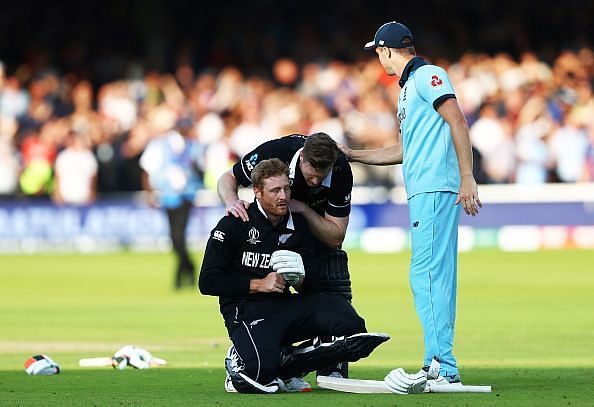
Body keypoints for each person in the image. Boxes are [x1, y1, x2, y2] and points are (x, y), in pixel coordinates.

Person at [342, 21, 482, 386]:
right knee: (433, 277)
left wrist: (467, 176)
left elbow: (458, 121)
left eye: (378, 52)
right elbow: (404, 150)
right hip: (424, 190)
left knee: (428, 276)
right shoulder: (406, 90)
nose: (378, 59)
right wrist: (352, 154)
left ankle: (442, 365)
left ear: (387, 50)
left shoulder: (428, 76)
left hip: (436, 188)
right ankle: (438, 361)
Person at [199, 159, 388, 394]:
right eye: (275, 190)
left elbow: (314, 285)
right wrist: (259, 284)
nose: (283, 196)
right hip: (246, 311)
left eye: (287, 188)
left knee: (350, 323)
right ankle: (241, 357)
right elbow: (207, 281)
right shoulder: (235, 222)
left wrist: (299, 278)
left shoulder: (297, 224)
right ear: (257, 192)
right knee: (261, 376)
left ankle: (290, 361)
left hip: (283, 306)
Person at [217, 132, 354, 377]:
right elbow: (228, 177)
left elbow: (336, 236)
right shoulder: (276, 151)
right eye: (310, 174)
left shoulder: (341, 168)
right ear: (301, 159)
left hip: (315, 237)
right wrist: (231, 201)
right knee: (270, 298)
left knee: (337, 299)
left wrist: (302, 209)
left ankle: (330, 366)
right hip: (272, 235)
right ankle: (253, 347)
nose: (314, 181)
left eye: (321, 176)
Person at [139, 118, 204, 289]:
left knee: (178, 235)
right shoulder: (160, 145)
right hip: (168, 196)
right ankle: (188, 268)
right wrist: (150, 193)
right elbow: (146, 169)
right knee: (175, 238)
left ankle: (180, 277)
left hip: (186, 195)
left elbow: (200, 170)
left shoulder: (193, 146)